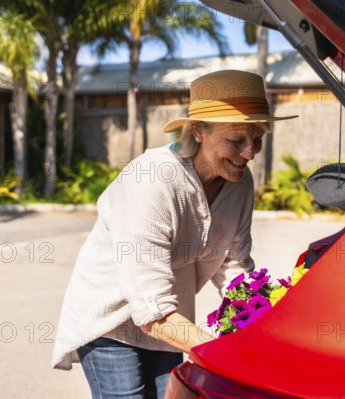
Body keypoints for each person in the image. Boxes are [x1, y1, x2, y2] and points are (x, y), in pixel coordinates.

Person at [51, 69, 298, 398]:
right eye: (236, 140)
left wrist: (263, 315)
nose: (250, 153)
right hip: (112, 321)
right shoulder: (152, 179)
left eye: (257, 139)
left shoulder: (240, 183)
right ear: (198, 131)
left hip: (168, 317)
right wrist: (223, 352)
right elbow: (150, 311)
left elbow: (233, 264)